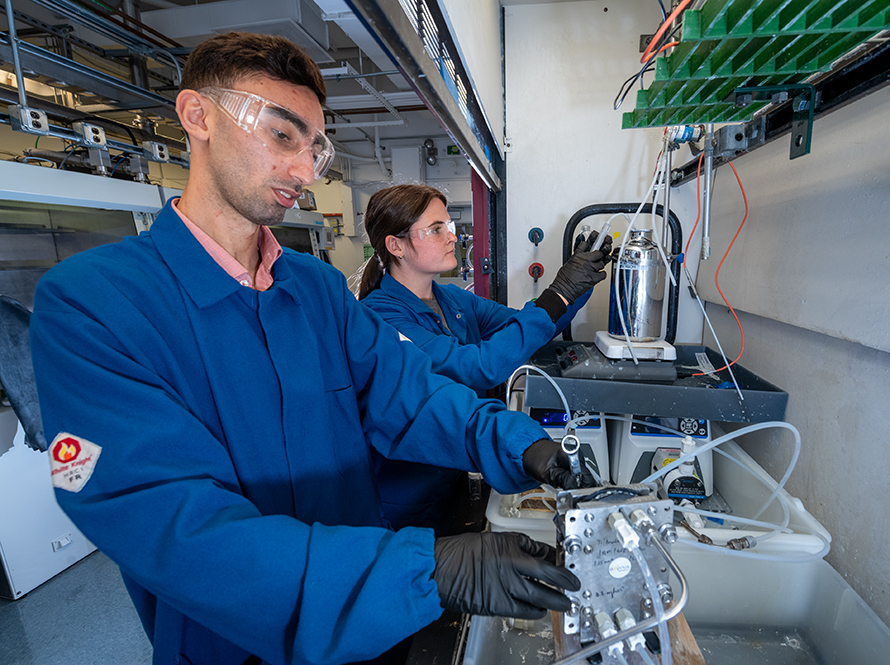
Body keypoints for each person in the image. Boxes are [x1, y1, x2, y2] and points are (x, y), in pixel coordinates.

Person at [29, 33, 588, 665]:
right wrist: (425, 571)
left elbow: (408, 394)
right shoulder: (91, 305)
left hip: (373, 625)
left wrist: (519, 444)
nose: (303, 171)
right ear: (198, 116)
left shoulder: (315, 288)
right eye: (281, 135)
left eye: (315, 149)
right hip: (236, 645)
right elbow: (170, 523)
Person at [359, 184, 611, 532]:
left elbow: (524, 325)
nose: (452, 237)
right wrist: (559, 292)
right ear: (395, 245)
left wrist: (576, 286)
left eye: (449, 226)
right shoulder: (379, 317)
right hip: (409, 495)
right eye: (436, 229)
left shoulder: (454, 300)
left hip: (456, 476)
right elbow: (473, 367)